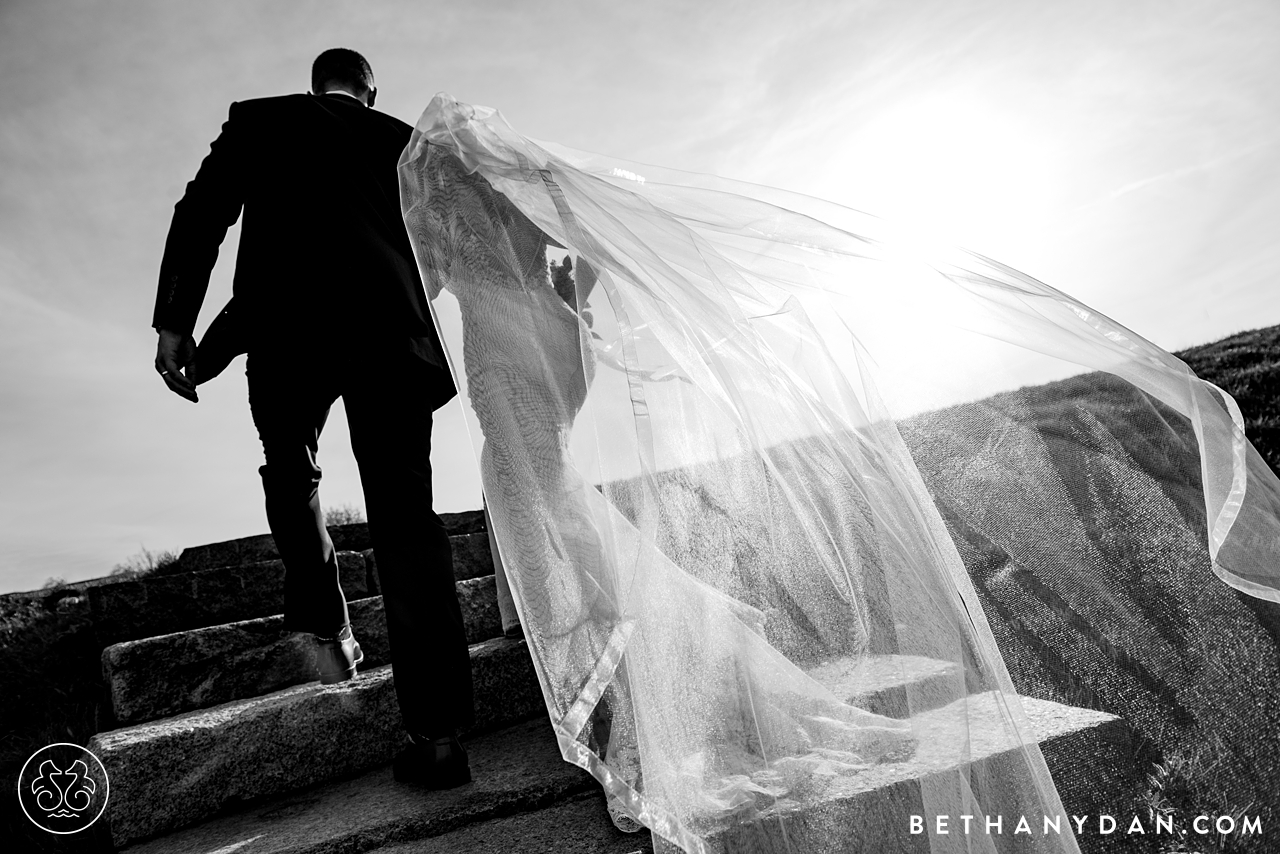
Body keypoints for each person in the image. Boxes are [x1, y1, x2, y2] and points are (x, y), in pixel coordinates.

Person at [400, 94, 1280, 853]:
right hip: (547, 331)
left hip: (503, 343)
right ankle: (628, 714)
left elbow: (433, 278)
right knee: (562, 513)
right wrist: (567, 312)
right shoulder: (525, 194)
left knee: (553, 524)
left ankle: (632, 739)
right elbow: (584, 263)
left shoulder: (437, 196)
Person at [151, 49, 473, 789]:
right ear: (370, 91)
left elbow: (206, 216)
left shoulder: (261, 121)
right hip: (392, 337)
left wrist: (180, 328)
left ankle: (325, 625)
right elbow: (444, 250)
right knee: (405, 520)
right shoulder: (404, 143)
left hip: (285, 335)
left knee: (292, 473)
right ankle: (440, 737)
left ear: (314, 87)